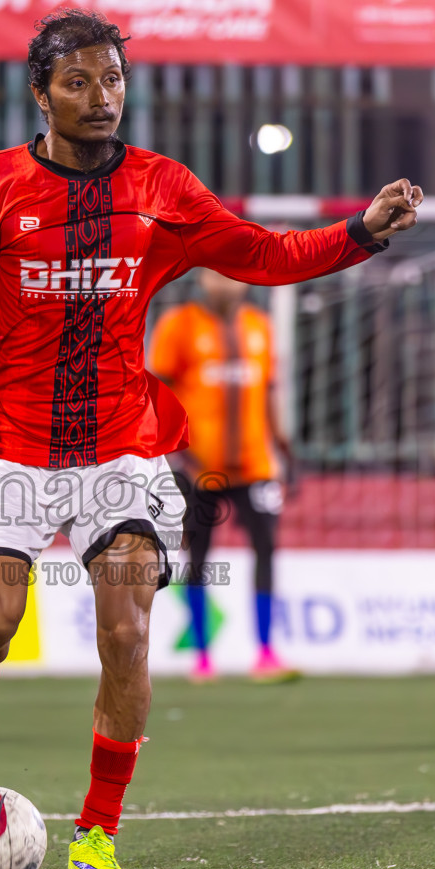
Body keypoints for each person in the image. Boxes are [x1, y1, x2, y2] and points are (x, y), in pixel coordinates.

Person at [0, 7, 422, 869]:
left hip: (120, 446)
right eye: (77, 81)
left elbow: (262, 253)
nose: (100, 95)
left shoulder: (160, 189)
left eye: (112, 79)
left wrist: (361, 231)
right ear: (41, 94)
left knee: (129, 631)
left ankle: (99, 833)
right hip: (6, 440)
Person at [149, 269, 297, 683]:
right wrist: (176, 452)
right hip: (198, 465)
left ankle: (266, 651)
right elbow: (157, 392)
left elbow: (268, 391)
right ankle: (201, 655)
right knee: (197, 557)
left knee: (267, 549)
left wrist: (284, 448)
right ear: (202, 281)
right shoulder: (178, 326)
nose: (226, 284)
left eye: (232, 277)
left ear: (246, 282)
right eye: (217, 276)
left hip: (256, 465)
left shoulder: (259, 327)